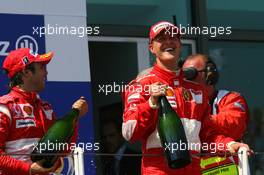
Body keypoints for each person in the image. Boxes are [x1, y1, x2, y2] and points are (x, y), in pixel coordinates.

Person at [122, 21, 251, 175]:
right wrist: (151, 103)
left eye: (173, 38)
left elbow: (207, 135)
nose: (168, 41)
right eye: (161, 39)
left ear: (180, 44)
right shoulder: (141, 84)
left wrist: (229, 145)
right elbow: (129, 132)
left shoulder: (197, 89)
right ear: (152, 48)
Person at [0, 48, 88, 175]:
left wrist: (76, 116)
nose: (46, 73)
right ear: (26, 72)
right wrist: (29, 169)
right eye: (42, 67)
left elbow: (63, 150)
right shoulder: (4, 107)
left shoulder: (45, 108)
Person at [182, 54, 249, 174]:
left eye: (190, 74)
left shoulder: (231, 98)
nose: (186, 79)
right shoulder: (184, 104)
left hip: (227, 169)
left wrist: (197, 122)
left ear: (210, 74)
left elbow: (233, 125)